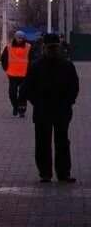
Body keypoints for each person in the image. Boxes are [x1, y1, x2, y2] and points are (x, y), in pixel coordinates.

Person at [23, 33, 79, 183]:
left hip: (54, 110)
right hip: (50, 109)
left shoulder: (38, 66)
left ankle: (52, 173)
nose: (52, 50)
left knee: (52, 142)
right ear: (45, 48)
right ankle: (55, 173)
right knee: (51, 142)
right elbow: (28, 88)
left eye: (54, 47)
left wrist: (68, 102)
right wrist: (37, 102)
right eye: (51, 47)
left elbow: (74, 87)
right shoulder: (65, 65)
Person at [0, 31, 31, 117]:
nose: (20, 40)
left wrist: (31, 71)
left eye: (21, 38)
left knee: (23, 93)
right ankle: (16, 106)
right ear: (15, 38)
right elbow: (3, 58)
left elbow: (32, 59)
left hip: (25, 74)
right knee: (12, 93)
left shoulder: (28, 47)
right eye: (18, 38)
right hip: (12, 74)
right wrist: (6, 68)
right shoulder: (9, 47)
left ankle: (22, 110)